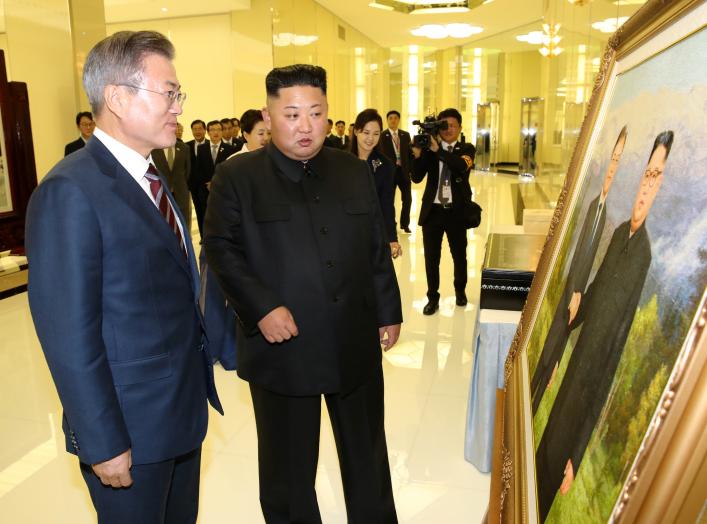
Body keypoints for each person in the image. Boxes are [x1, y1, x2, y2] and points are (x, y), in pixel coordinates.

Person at [25, 30, 222, 523]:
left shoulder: (152, 176)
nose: (178, 106)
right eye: (169, 92)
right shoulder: (70, 190)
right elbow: (69, 335)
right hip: (128, 432)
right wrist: (102, 440)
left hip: (178, 414)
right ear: (117, 97)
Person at [204, 64, 402, 524]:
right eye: (291, 114)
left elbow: (374, 244)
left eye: (315, 112)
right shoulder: (238, 177)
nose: (305, 125)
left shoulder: (352, 171)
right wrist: (261, 307)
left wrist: (388, 311)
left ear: (329, 114)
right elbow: (220, 247)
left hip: (352, 339)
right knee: (288, 473)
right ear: (268, 116)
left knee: (367, 458)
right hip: (282, 347)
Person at [535, 131, 674, 521]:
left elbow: (612, 358)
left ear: (661, 186)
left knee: (548, 475)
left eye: (655, 178)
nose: (646, 187)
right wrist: (574, 309)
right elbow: (592, 298)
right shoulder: (617, 235)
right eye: (646, 174)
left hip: (583, 395)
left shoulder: (642, 257)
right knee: (538, 460)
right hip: (567, 379)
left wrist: (578, 454)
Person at [530, 126, 628, 414]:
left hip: (572, 306)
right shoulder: (591, 206)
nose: (612, 168)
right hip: (565, 298)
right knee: (541, 364)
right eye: (611, 159)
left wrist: (578, 295)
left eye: (618, 162)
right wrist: (574, 290)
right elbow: (576, 258)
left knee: (548, 368)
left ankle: (532, 405)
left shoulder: (605, 211)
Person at [411, 107, 476, 315]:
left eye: (452, 125)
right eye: (443, 125)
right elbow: (416, 177)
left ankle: (460, 291)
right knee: (431, 258)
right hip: (433, 212)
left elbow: (460, 167)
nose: (448, 129)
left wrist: (438, 150)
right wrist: (418, 155)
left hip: (456, 212)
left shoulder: (467, 149)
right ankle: (432, 297)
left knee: (459, 255)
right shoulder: (430, 149)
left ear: (460, 127)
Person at [350, 108, 402, 259]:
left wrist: (392, 238)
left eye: (376, 134)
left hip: (374, 231)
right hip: (347, 231)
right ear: (356, 132)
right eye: (366, 133)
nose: (370, 138)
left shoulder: (386, 165)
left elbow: (387, 204)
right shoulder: (342, 161)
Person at [192, 120, 235, 236]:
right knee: (206, 216)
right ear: (208, 132)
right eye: (212, 130)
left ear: (222, 132)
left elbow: (231, 171)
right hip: (205, 190)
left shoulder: (230, 149)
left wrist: (215, 183)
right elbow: (198, 170)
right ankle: (206, 237)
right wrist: (207, 183)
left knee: (222, 216)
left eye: (218, 129)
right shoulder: (202, 148)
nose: (216, 132)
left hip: (223, 190)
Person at [152, 122, 192, 230]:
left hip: (181, 191)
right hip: (162, 190)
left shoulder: (184, 148)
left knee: (183, 220)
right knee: (164, 219)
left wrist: (181, 183)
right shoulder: (154, 148)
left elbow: (188, 170)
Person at [380, 110, 413, 234]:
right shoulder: (382, 136)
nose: (393, 120)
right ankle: (391, 223)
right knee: (389, 200)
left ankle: (405, 224)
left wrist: (410, 169)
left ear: (399, 120)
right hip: (389, 173)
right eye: (390, 118)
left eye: (395, 118)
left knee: (408, 199)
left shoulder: (405, 135)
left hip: (403, 172)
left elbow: (410, 154)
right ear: (387, 120)